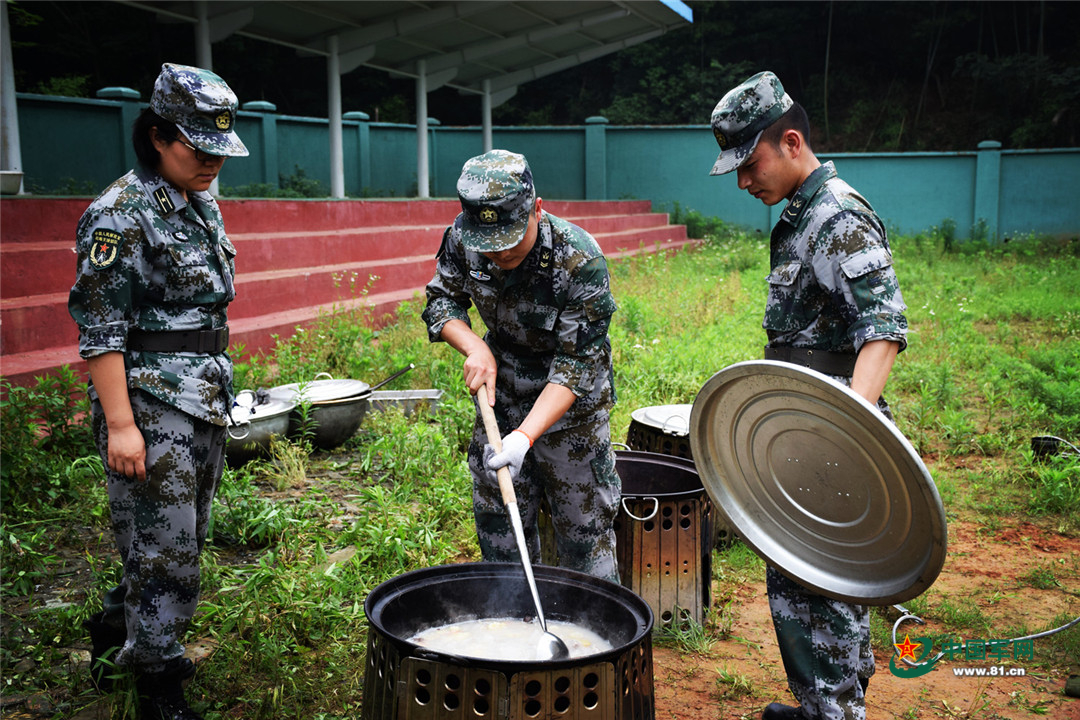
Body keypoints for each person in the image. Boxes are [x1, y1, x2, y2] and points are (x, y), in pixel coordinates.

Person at [708, 72, 909, 720]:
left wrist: (848, 434)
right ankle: (826, 705)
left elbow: (882, 330)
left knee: (822, 599)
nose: (744, 182)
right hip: (803, 435)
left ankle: (834, 708)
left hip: (830, 444)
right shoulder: (802, 215)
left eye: (751, 163)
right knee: (807, 592)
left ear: (791, 141)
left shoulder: (837, 214)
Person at [69, 62, 248, 720]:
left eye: (220, 153)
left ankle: (117, 627)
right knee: (166, 548)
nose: (211, 165)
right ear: (157, 137)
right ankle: (157, 685)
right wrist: (121, 425)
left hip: (202, 394)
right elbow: (102, 329)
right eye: (199, 151)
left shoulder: (199, 202)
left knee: (174, 537)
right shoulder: (119, 216)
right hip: (149, 403)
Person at [422, 149, 621, 582]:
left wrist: (526, 437)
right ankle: (515, 632)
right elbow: (441, 300)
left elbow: (575, 364)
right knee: (501, 533)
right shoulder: (463, 239)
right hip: (503, 398)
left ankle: (600, 642)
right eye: (487, 246)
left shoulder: (579, 260)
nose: (498, 254)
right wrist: (474, 345)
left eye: (510, 239)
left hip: (571, 415)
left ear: (537, 209)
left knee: (584, 536)